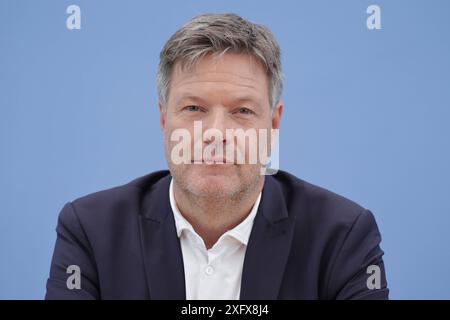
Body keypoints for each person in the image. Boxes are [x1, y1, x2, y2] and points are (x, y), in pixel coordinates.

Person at [45, 13, 388, 300]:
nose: (216, 132)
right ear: (164, 118)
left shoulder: (343, 236)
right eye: (194, 108)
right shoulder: (89, 230)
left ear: (273, 124)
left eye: (242, 110)